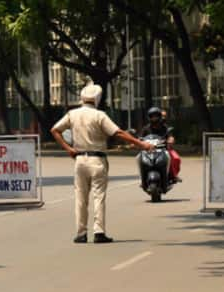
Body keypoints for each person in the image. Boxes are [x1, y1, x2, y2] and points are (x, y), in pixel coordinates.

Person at [51, 83, 154, 244]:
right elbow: (118, 133)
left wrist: (69, 149)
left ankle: (81, 233)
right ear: (97, 99)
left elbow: (55, 130)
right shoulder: (100, 115)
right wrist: (141, 144)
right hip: (97, 160)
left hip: (79, 160)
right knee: (98, 197)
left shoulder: (72, 114)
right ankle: (99, 232)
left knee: (80, 198)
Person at [140, 107, 181, 183]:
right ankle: (143, 176)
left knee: (176, 158)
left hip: (164, 148)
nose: (154, 118)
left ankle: (173, 175)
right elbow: (140, 138)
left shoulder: (164, 127)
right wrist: (137, 142)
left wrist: (170, 140)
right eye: (152, 116)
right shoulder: (146, 128)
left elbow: (170, 136)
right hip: (149, 149)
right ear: (149, 117)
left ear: (159, 116)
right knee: (139, 157)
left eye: (156, 116)